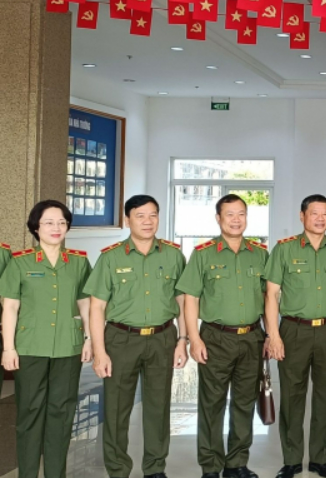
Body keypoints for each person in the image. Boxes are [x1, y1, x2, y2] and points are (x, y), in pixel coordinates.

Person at [86, 194, 189, 478]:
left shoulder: (173, 255)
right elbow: (97, 307)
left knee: (158, 406)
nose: (147, 221)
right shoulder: (111, 257)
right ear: (127, 219)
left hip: (162, 337)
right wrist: (100, 351)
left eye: (153, 215)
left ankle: (155, 468)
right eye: (140, 215)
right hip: (121, 339)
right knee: (116, 408)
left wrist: (183, 340)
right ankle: (118, 469)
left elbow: (182, 302)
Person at [265, 194, 326, 478]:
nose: (320, 219)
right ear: (302, 216)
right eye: (314, 213)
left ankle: (320, 459)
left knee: (325, 396)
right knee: (292, 396)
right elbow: (271, 294)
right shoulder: (284, 249)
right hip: (293, 330)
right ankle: (292, 460)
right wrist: (274, 335)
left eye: (325, 214)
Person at [176, 194, 270, 478]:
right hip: (215, 338)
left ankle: (237, 463)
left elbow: (268, 298)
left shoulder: (260, 253)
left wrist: (270, 334)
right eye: (230, 214)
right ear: (218, 218)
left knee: (245, 402)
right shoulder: (203, 254)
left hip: (252, 337)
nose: (236, 220)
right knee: (212, 403)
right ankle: (211, 466)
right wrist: (194, 339)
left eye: (241, 214)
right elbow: (190, 298)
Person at [0, 200, 92, 478]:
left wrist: (89, 339)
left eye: (62, 222)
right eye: (49, 222)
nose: (56, 227)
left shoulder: (78, 261)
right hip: (30, 347)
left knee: (61, 415)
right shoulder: (20, 261)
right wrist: (8, 348)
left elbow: (85, 303)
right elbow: (10, 306)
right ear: (36, 227)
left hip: (68, 346)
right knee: (29, 413)